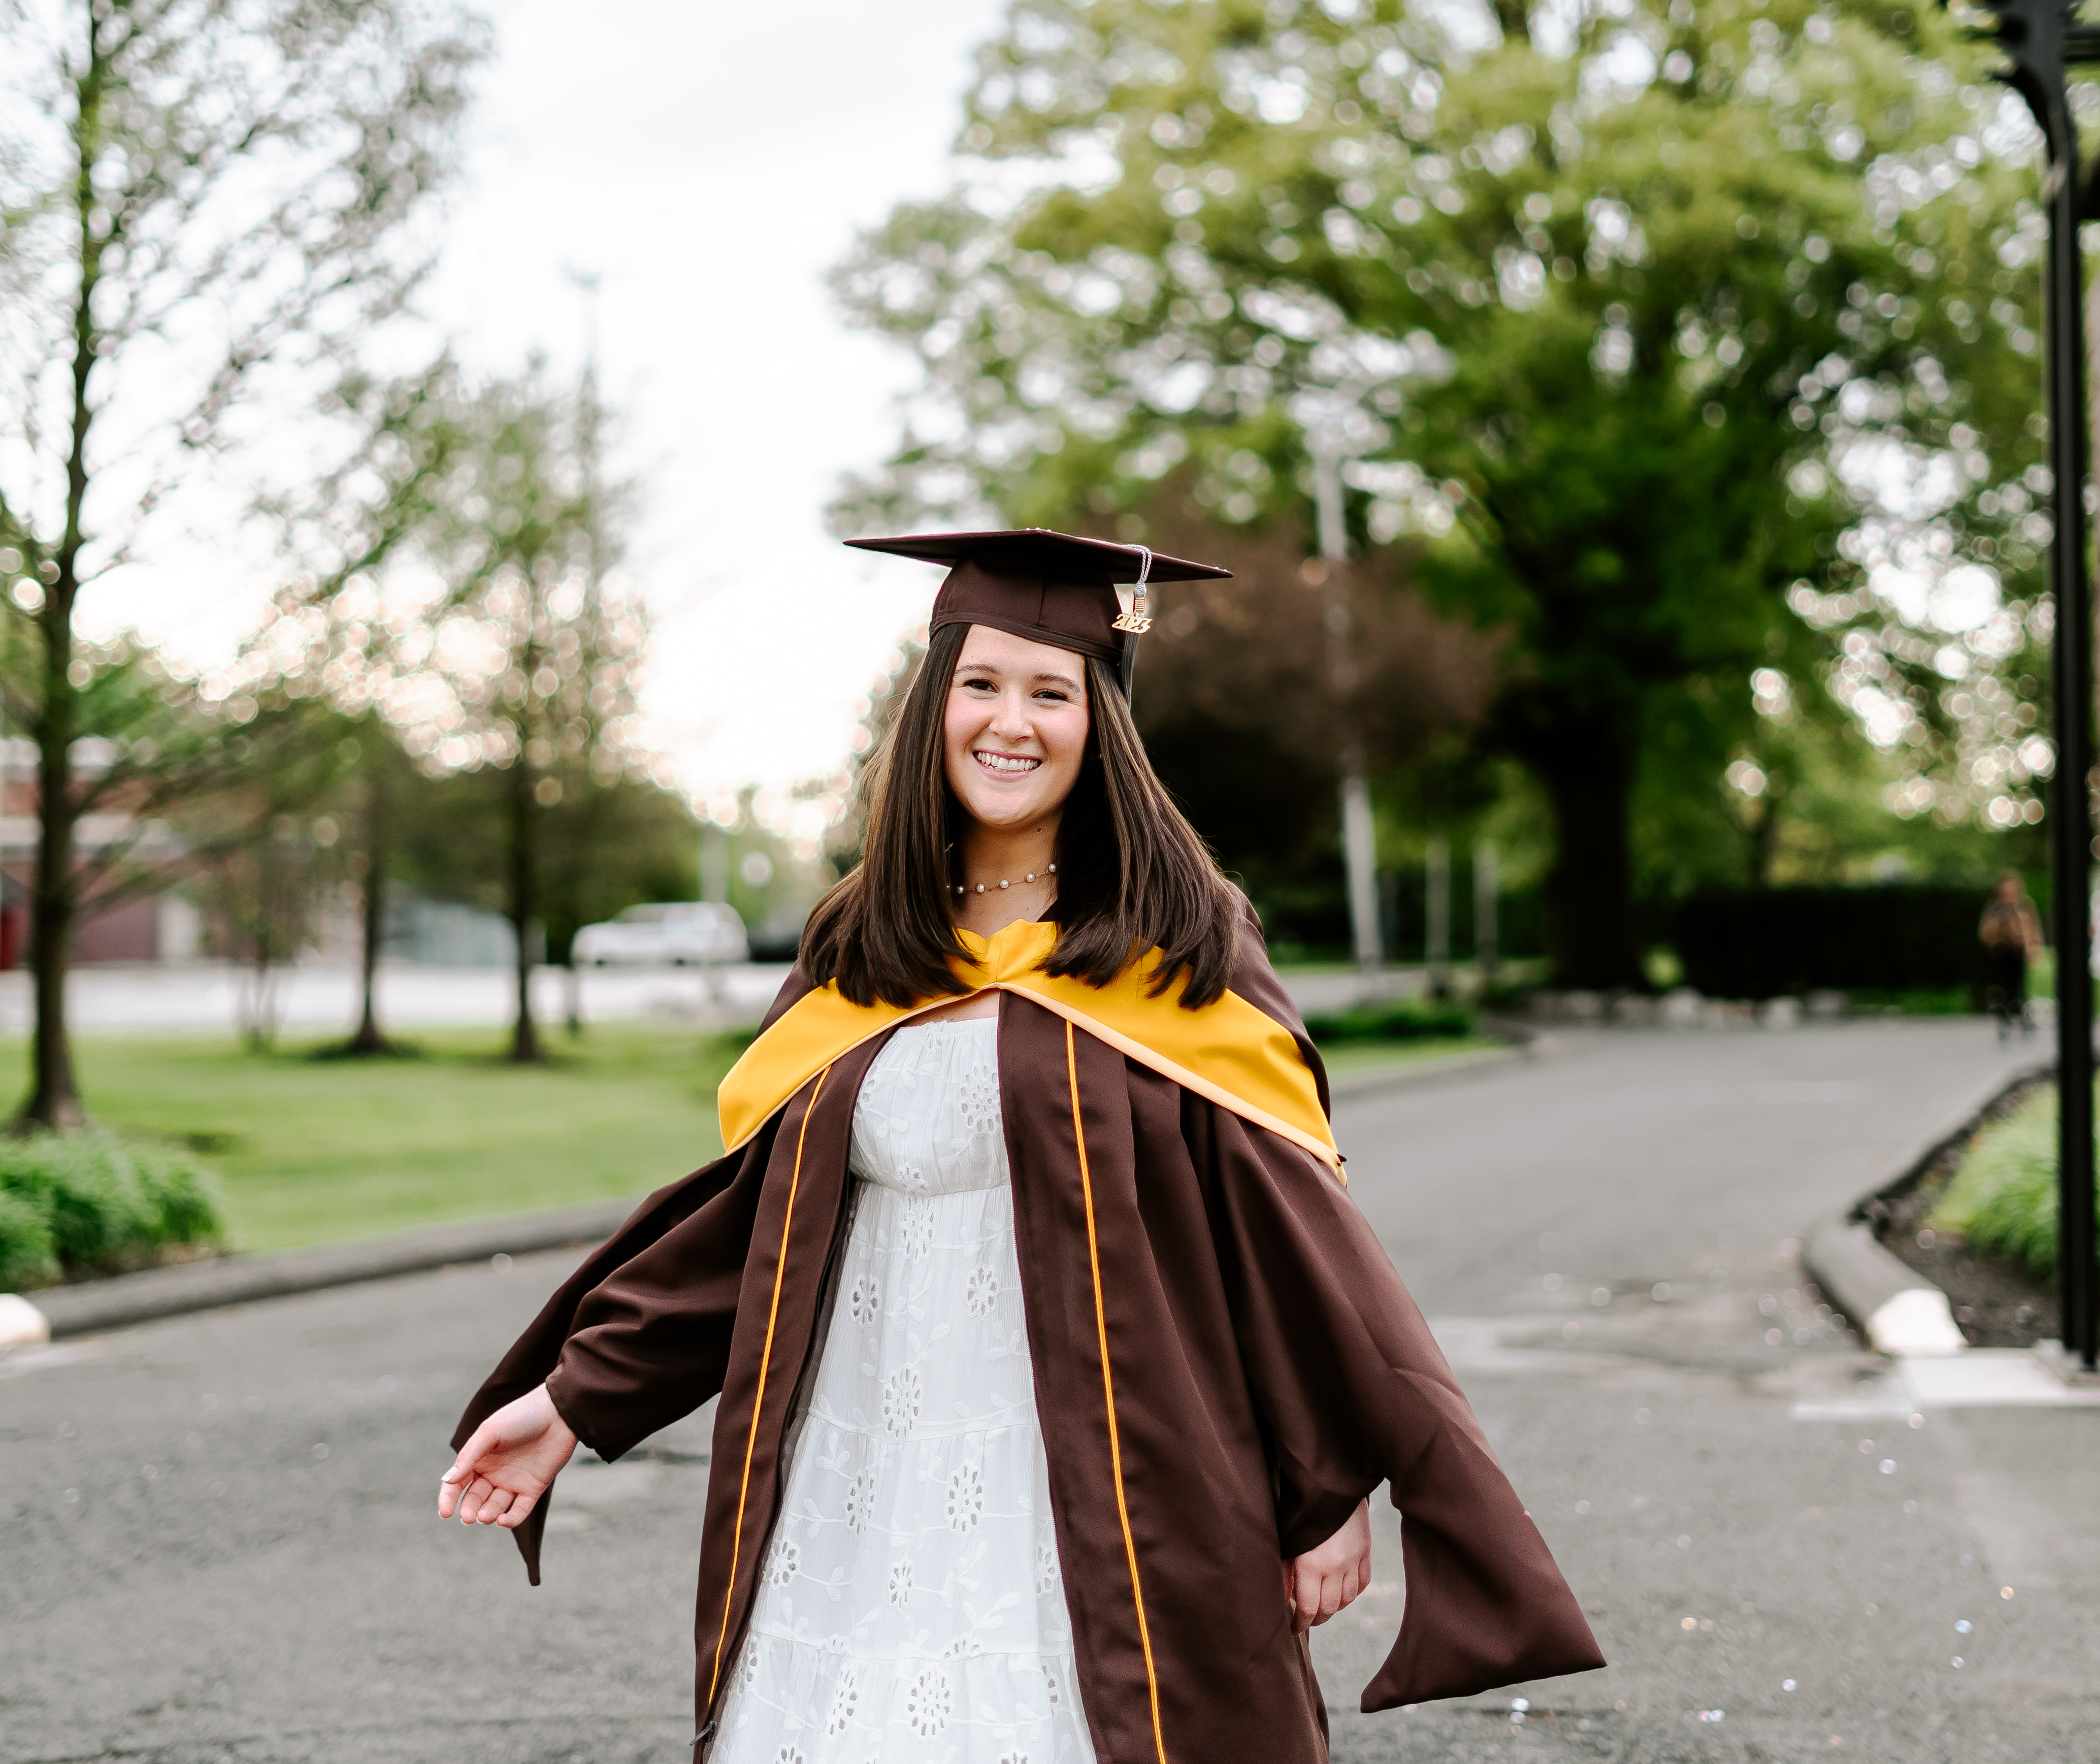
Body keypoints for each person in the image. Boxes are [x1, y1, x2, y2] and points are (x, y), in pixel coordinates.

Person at [440, 528, 1601, 1763]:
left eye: (1052, 690)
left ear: (1101, 720)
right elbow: (752, 1234)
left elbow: (1290, 1242)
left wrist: (1325, 1491)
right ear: (931, 704)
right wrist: (574, 1398)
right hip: (858, 1482)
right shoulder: (861, 948)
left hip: (1104, 1482)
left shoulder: (1178, 943)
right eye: (981, 683)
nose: (1012, 721)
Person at [1978, 873, 2044, 1040]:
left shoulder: (2024, 906)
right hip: (2001, 952)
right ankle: (2005, 1018)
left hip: (2018, 951)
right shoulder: (1995, 908)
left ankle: (2022, 1019)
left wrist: (2034, 947)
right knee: (2003, 986)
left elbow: (2033, 928)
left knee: (2020, 986)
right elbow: (1985, 931)